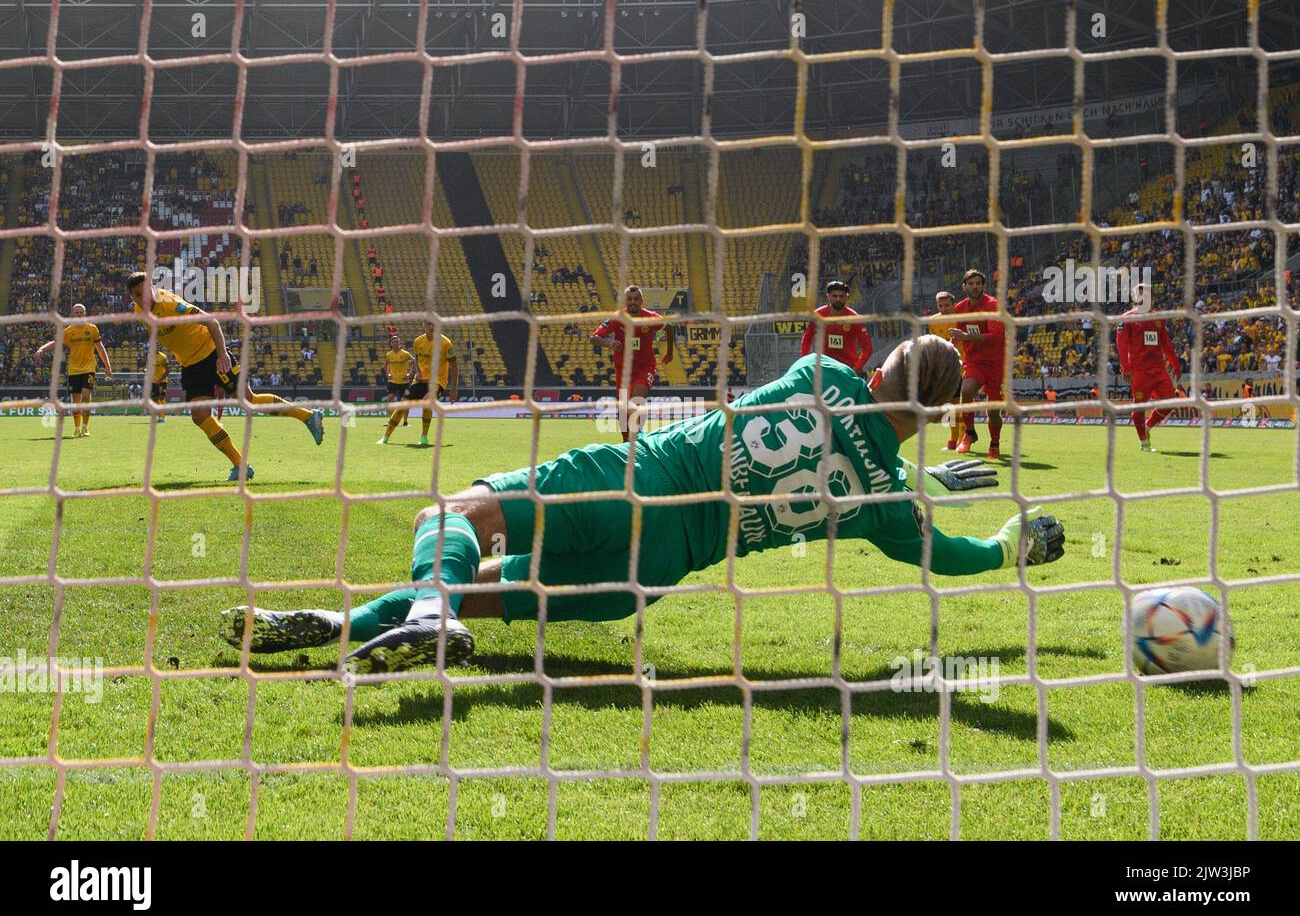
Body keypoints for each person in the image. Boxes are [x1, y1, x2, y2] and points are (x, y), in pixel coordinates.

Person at [219, 336, 1066, 674]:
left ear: (879, 372)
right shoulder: (889, 501)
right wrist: (1005, 543)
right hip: (658, 570)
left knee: (453, 518)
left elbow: (854, 397)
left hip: (636, 482)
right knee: (485, 588)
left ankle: (427, 614)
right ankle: (338, 629)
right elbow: (945, 554)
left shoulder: (822, 373)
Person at [126, 271, 324, 480]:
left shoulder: (171, 304)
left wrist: (222, 354)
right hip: (191, 366)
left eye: (145, 292)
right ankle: (240, 465)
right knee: (200, 416)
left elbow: (212, 321)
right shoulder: (139, 312)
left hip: (211, 354)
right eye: (137, 295)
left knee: (249, 400)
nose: (143, 298)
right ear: (133, 298)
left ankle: (309, 416)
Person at [591, 285, 675, 442]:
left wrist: (670, 352)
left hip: (645, 368)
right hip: (623, 372)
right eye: (629, 299)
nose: (633, 302)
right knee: (622, 411)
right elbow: (593, 338)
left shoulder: (649, 317)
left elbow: (669, 327)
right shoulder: (617, 319)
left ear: (642, 301)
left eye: (636, 299)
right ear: (625, 301)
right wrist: (609, 343)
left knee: (636, 401)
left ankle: (636, 438)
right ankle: (626, 443)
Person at [947, 269, 1006, 461]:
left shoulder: (992, 305)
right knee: (966, 390)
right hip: (974, 361)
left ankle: (994, 443)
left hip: (996, 363)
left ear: (984, 286)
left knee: (993, 410)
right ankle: (970, 432)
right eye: (971, 284)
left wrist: (966, 337)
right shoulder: (960, 308)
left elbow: (996, 336)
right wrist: (950, 345)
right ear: (964, 287)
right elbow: (956, 332)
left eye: (978, 283)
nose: (975, 287)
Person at [1115, 283, 1180, 452]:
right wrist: (1125, 368)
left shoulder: (1158, 318)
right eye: (1140, 294)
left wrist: (1175, 363)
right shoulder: (1127, 318)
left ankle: (1148, 425)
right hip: (1139, 371)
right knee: (1139, 406)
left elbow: (1165, 342)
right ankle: (1144, 443)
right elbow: (1120, 344)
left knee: (1170, 402)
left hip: (1159, 369)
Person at [34, 302, 112, 438]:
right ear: (72, 314)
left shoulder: (92, 329)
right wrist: (42, 348)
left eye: (81, 312)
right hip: (74, 369)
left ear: (85, 313)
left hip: (89, 368)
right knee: (75, 401)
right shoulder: (68, 331)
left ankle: (85, 427)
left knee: (86, 395)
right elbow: (56, 342)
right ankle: (77, 428)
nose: (79, 314)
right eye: (76, 312)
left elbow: (100, 347)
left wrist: (107, 365)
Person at [379, 321, 457, 446]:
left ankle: (423, 437)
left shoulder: (446, 343)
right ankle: (385, 438)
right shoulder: (418, 341)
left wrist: (454, 389)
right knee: (402, 406)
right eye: (427, 324)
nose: (430, 327)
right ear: (423, 325)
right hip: (419, 380)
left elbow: (454, 366)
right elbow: (416, 359)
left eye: (432, 324)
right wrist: (417, 371)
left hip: (438, 381)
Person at [800, 280, 873, 375]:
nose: (838, 299)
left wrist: (856, 369)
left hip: (848, 369)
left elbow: (867, 348)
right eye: (834, 296)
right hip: (825, 368)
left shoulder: (854, 318)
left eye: (841, 296)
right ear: (828, 296)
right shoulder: (818, 315)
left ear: (847, 297)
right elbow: (806, 340)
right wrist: (806, 364)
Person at [925, 290, 964, 449]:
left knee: (962, 403)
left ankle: (963, 437)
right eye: (940, 305)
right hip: (946, 367)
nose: (943, 308)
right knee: (951, 404)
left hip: (964, 365)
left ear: (953, 304)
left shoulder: (962, 318)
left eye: (947, 305)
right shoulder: (933, 321)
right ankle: (954, 438)